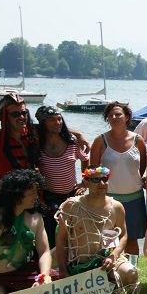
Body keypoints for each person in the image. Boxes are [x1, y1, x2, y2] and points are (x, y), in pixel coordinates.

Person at [54, 166, 140, 294]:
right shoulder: (71, 206)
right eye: (96, 179)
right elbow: (61, 240)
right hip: (80, 266)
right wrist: (63, 270)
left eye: (105, 179)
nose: (102, 183)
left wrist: (114, 256)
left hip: (108, 260)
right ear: (85, 182)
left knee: (131, 273)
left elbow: (124, 235)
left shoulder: (117, 207)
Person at [89, 102, 147, 258]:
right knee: (108, 239)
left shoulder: (138, 140)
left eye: (118, 114)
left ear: (127, 117)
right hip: (109, 200)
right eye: (110, 115)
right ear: (107, 119)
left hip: (135, 198)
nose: (114, 117)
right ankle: (111, 274)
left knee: (132, 239)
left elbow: (142, 168)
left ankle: (132, 273)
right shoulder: (100, 141)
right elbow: (92, 172)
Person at [35, 105, 89, 246]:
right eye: (52, 120)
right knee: (51, 234)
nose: (58, 122)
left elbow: (85, 159)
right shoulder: (36, 144)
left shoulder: (72, 142)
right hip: (48, 196)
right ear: (43, 123)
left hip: (71, 195)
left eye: (59, 119)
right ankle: (53, 265)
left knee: (74, 234)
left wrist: (84, 183)